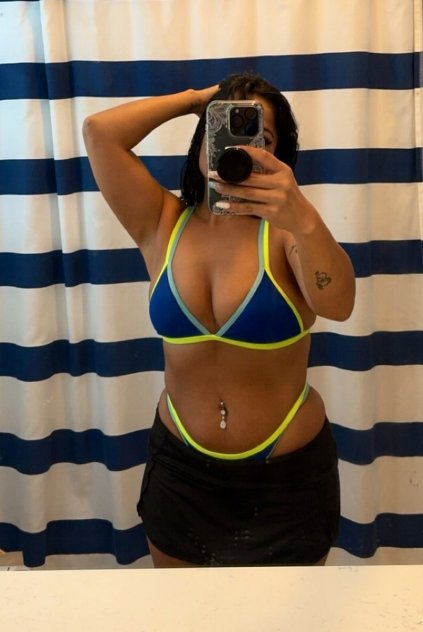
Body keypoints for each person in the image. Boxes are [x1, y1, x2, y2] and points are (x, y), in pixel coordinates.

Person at [83, 72, 355, 567]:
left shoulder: (286, 233)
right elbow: (100, 132)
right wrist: (198, 99)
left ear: (278, 154)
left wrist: (302, 215)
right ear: (202, 138)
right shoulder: (162, 223)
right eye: (225, 127)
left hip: (286, 478)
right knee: (181, 609)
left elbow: (338, 304)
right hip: (182, 473)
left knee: (293, 610)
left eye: (259, 136)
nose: (240, 145)